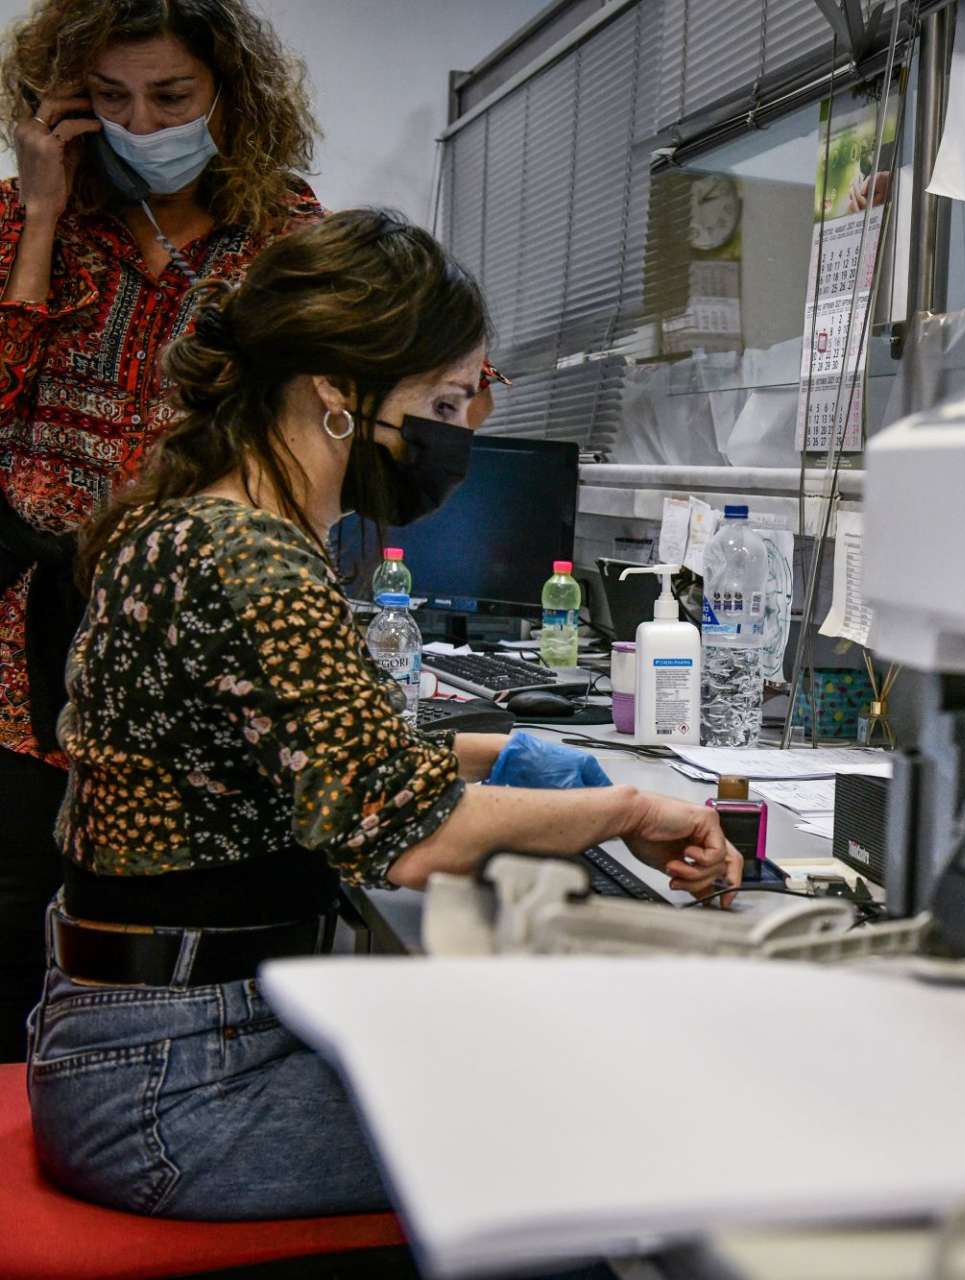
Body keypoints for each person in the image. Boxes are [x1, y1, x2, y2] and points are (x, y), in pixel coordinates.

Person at [26, 208, 746, 1219]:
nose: (459, 433)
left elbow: (332, 756)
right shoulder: (250, 557)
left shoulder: (193, 524)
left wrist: (500, 752)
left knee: (526, 1064)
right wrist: (628, 809)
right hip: (178, 1091)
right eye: (443, 401)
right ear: (337, 391)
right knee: (607, 1125)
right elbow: (411, 839)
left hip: (140, 1042)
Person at [0, 0, 326, 1062]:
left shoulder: (286, 235)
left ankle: (145, 1106)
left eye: (172, 96)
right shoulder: (24, 216)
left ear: (231, 94)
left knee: (165, 953)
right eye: (111, 97)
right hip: (20, 630)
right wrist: (41, 218)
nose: (142, 123)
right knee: (13, 923)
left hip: (190, 634)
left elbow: (362, 398)